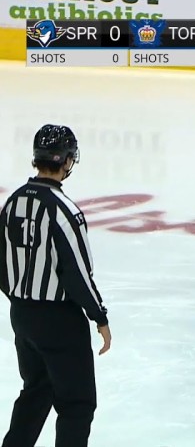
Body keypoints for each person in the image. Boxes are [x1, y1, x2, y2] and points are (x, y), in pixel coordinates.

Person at [0, 124, 112, 447]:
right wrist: (99, 316)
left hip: (21, 315)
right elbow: (77, 273)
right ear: (66, 160)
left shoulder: (13, 203)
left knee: (36, 390)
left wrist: (22, 299)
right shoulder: (65, 212)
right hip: (60, 321)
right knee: (77, 404)